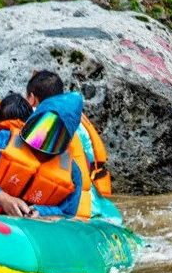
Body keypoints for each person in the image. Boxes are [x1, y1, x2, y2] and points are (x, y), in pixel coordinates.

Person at [0, 91, 87, 218]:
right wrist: (2, 198)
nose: (44, 139)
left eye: (54, 136)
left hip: (32, 233)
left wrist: (42, 213)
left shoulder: (73, 173)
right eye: (42, 128)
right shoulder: (2, 140)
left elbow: (68, 214)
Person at [25, 70, 112, 198]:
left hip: (65, 197)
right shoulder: (78, 119)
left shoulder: (39, 123)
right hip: (93, 196)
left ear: (32, 98)